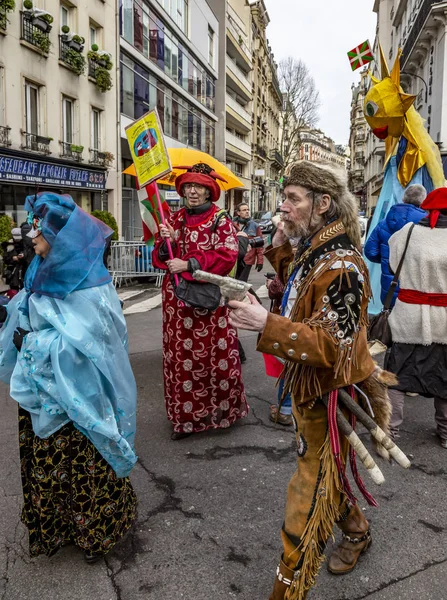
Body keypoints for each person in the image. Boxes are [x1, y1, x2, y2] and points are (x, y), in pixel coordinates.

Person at [228, 161, 394, 600]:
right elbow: (302, 290)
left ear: (322, 204)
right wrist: (280, 247)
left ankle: (286, 590)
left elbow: (330, 345)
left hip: (331, 392)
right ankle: (357, 532)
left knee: (307, 492)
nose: (283, 208)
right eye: (284, 199)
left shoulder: (341, 263)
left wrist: (265, 322)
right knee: (327, 475)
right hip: (311, 390)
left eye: (293, 200)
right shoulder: (317, 248)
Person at [0, 192, 138, 562]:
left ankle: (98, 534)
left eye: (38, 229)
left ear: (60, 236)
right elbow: (26, 309)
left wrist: (30, 342)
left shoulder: (89, 286)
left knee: (82, 471)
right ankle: (60, 529)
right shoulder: (41, 269)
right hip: (42, 390)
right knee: (48, 470)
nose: (32, 236)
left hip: (78, 400)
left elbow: (90, 347)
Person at [152, 163, 249, 440]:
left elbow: (228, 256)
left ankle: (220, 414)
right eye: (189, 186)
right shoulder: (175, 217)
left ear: (209, 191)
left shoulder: (220, 219)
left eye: (199, 187)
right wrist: (166, 241)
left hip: (207, 302)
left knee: (212, 359)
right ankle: (184, 419)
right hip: (176, 303)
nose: (193, 191)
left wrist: (190, 263)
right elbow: (161, 259)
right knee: (180, 359)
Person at [386, 188, 447, 449]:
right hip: (444, 321)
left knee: (397, 377)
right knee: (445, 377)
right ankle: (445, 432)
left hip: (406, 318)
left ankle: (389, 432)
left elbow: (392, 264)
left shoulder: (406, 233)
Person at [364, 184, 427, 307]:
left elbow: (370, 251)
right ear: (423, 201)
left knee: (389, 322)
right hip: (415, 291)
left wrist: (386, 259)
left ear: (403, 199)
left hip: (389, 289)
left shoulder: (384, 223)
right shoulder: (426, 223)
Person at [233, 202, 264, 281]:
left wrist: (260, 261)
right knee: (235, 282)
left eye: (248, 210)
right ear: (238, 213)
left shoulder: (255, 226)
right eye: (244, 210)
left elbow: (259, 244)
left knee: (242, 282)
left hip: (247, 259)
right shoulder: (231, 224)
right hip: (234, 259)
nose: (247, 211)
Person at [2, 227, 25, 293]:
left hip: (22, 271)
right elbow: (5, 258)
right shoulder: (9, 245)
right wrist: (13, 258)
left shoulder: (25, 244)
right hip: (12, 273)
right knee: (13, 291)